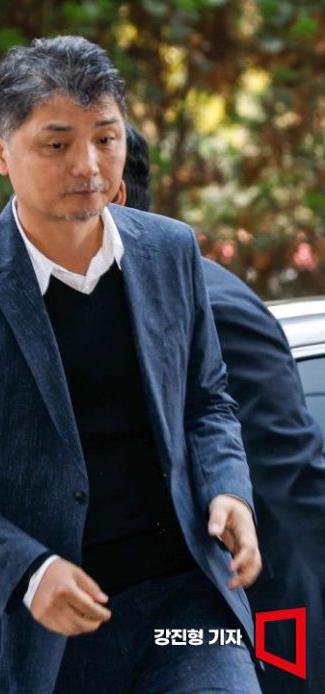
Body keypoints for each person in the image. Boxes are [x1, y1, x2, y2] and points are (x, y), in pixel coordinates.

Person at [0, 36, 263, 694]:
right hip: (37, 632)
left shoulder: (171, 251)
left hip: (184, 605)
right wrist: (28, 571)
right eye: (56, 144)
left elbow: (207, 399)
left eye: (106, 139)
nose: (88, 166)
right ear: (1, 152)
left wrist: (229, 489)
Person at [117, 124, 325, 693]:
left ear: (113, 194)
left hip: (257, 622)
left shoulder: (212, 306)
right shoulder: (108, 307)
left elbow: (295, 479)